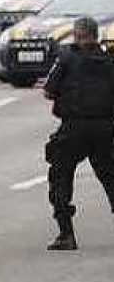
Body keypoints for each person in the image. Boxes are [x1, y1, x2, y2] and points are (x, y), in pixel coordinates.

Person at [43, 16, 114, 251]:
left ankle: (66, 234)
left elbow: (49, 91)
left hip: (74, 127)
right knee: (110, 178)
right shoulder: (110, 61)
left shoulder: (66, 59)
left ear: (78, 35)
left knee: (61, 177)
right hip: (105, 128)